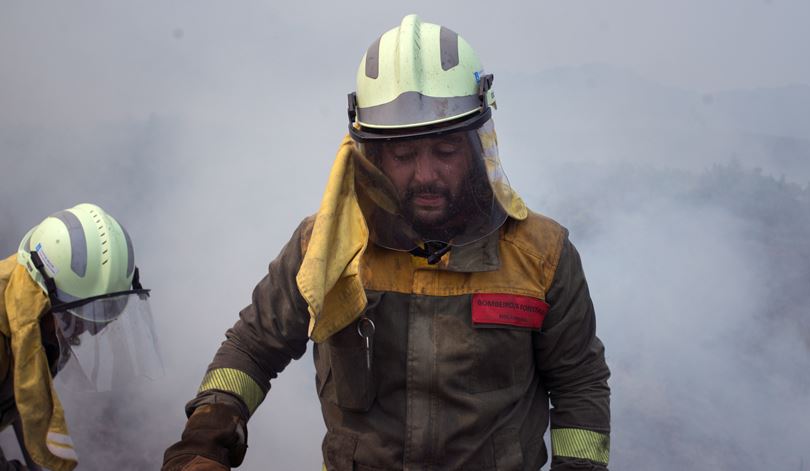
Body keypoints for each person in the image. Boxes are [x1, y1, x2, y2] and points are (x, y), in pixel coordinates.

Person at [162, 14, 610, 471]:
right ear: (371, 154)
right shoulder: (327, 247)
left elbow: (579, 383)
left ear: (479, 147)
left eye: (447, 151)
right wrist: (207, 438)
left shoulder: (542, 256)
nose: (426, 175)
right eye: (403, 155)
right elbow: (253, 346)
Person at [0, 203, 161, 471]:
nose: (93, 330)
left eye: (104, 312)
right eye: (83, 314)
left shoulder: (36, 321)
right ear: (43, 293)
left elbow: (23, 394)